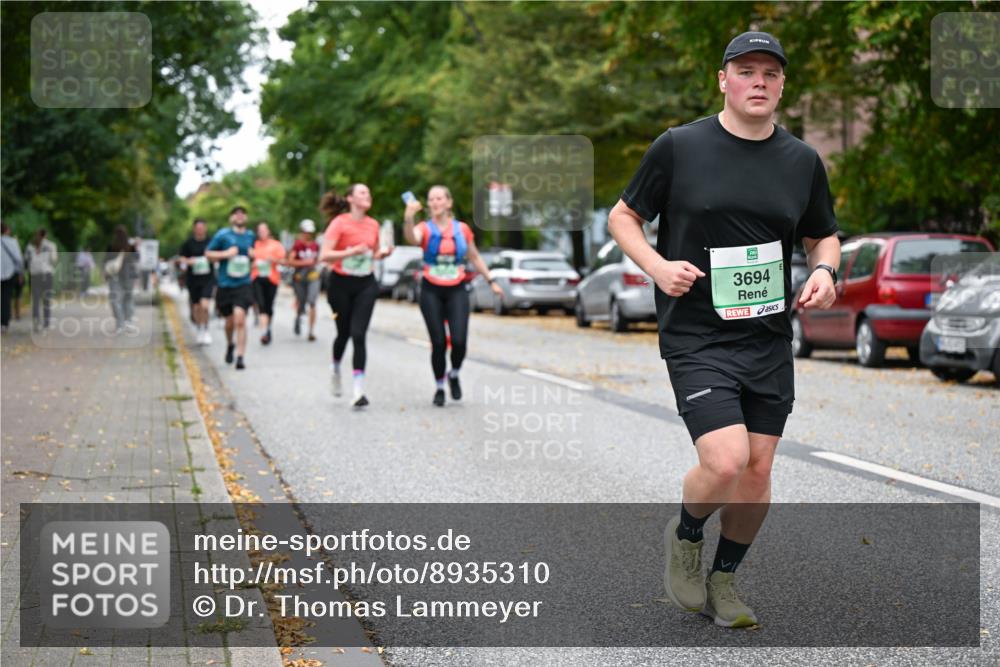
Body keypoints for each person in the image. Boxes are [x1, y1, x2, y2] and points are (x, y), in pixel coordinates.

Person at [608, 31, 840, 628]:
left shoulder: (801, 161)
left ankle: (726, 580)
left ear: (783, 83)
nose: (758, 82)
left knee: (759, 469)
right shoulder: (680, 147)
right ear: (723, 80)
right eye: (746, 71)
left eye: (770, 72)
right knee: (726, 460)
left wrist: (825, 270)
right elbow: (623, 216)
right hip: (697, 336)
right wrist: (657, 267)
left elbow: (822, 233)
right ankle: (686, 537)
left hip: (766, 338)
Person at [403, 186, 503, 406]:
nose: (436, 202)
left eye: (440, 198)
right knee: (438, 342)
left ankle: (454, 373)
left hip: (457, 288)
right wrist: (409, 218)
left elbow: (474, 256)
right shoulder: (424, 228)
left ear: (449, 202)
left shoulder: (463, 229)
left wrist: (491, 281)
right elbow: (412, 238)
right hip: (431, 290)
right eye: (431, 199)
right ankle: (439, 386)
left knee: (459, 341)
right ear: (428, 205)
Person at [319, 185, 393, 407]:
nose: (367, 196)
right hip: (340, 284)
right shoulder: (339, 223)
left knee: (358, 334)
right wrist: (349, 252)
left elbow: (374, 253)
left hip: (366, 284)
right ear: (350, 198)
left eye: (369, 193)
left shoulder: (373, 224)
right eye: (362, 193)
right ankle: (335, 368)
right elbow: (325, 255)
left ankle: (358, 391)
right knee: (343, 334)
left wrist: (384, 253)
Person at [206, 206, 255, 370]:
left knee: (240, 319)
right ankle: (230, 344)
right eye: (236, 213)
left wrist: (253, 255)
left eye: (243, 213)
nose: (240, 216)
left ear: (246, 218)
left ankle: (240, 357)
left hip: (244, 284)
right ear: (231, 218)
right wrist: (225, 254)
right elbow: (208, 254)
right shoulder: (223, 235)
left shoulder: (250, 236)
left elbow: (255, 256)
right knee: (229, 322)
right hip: (226, 284)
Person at [179, 218, 215, 345]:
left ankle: (206, 329)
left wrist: (211, 259)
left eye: (202, 227)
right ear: (194, 229)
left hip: (208, 278)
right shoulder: (188, 243)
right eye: (197, 227)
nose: (200, 230)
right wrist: (189, 261)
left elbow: (216, 255)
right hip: (193, 279)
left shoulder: (211, 242)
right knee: (196, 307)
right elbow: (181, 258)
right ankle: (199, 328)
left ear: (205, 228)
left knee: (205, 305)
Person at [251, 221, 286, 345]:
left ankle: (268, 327)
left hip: (272, 279)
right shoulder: (254, 245)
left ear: (268, 231)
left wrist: (273, 260)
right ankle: (264, 332)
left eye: (264, 230)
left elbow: (283, 261)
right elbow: (248, 261)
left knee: (269, 306)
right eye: (259, 231)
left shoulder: (276, 245)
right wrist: (253, 263)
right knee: (261, 305)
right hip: (257, 278)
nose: (262, 233)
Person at [289, 218, 321, 341]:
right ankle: (298, 316)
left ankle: (311, 331)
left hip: (313, 276)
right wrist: (304, 262)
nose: (307, 234)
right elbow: (290, 261)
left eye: (310, 232)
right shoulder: (297, 245)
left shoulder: (315, 245)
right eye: (306, 232)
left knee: (312, 302)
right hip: (299, 276)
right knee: (301, 301)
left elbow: (318, 259)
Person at [105, 226, 139, 333]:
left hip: (114, 276)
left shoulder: (111, 246)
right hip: (128, 276)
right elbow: (137, 259)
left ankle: (120, 323)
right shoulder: (130, 246)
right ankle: (127, 321)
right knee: (127, 298)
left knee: (115, 300)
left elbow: (106, 261)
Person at [24, 228, 58, 332]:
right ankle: (46, 324)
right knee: (46, 299)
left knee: (35, 300)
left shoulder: (30, 246)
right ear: (46, 235)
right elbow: (54, 260)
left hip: (34, 275)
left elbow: (25, 259)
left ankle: (36, 323)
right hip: (47, 274)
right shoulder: (51, 245)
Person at [1, 222, 25, 332]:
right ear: (7, 230)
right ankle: (4, 323)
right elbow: (19, 259)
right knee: (6, 297)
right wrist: (21, 273)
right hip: (10, 273)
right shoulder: (12, 242)